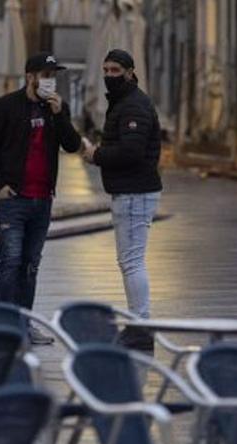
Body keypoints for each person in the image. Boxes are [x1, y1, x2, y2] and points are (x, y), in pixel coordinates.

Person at [0, 52, 81, 345]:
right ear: (30, 77)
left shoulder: (57, 109)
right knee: (10, 262)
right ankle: (5, 327)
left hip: (42, 199)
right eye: (46, 76)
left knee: (30, 264)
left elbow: (72, 145)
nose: (50, 81)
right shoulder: (6, 106)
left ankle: (25, 324)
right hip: (13, 198)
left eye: (53, 77)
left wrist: (60, 114)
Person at [82, 49, 161, 352]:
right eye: (106, 70)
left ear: (130, 72)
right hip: (131, 190)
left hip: (135, 191)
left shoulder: (133, 106)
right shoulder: (124, 102)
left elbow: (131, 152)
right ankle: (138, 324)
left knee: (131, 261)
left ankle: (140, 326)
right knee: (130, 261)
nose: (109, 76)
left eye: (116, 70)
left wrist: (96, 155)